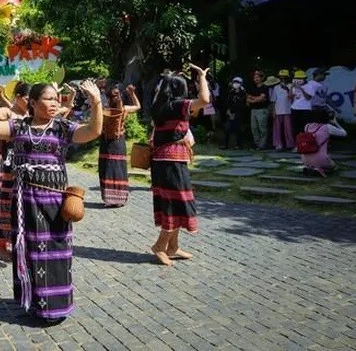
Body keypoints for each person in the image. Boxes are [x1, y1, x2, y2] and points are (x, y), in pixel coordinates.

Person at [0, 76, 102, 325]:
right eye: (48, 99)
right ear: (33, 102)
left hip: (54, 202)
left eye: (56, 99)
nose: (54, 103)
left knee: (56, 251)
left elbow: (93, 131)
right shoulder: (19, 126)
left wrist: (96, 102)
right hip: (25, 201)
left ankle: (55, 306)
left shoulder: (62, 127)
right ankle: (33, 302)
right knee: (30, 251)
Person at [149, 64, 209, 267]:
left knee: (172, 203)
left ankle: (173, 247)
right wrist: (201, 77)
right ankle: (160, 246)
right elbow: (205, 101)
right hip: (171, 162)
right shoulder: (177, 105)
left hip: (164, 162)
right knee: (176, 204)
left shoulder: (159, 106)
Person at [0, 81, 31, 261]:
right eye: (27, 98)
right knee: (7, 208)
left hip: (30, 168)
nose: (30, 101)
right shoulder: (9, 112)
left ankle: (24, 244)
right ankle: (2, 247)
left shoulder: (31, 113)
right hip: (11, 166)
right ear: (18, 98)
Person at [98, 85, 141, 207]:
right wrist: (132, 94)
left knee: (107, 168)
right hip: (118, 141)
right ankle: (119, 199)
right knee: (118, 167)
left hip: (107, 142)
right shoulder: (124, 109)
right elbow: (138, 106)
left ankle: (109, 199)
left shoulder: (103, 110)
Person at [300, 109, 347, 176]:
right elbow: (344, 133)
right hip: (321, 158)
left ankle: (311, 168)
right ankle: (319, 170)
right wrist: (335, 122)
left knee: (318, 161)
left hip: (304, 158)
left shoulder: (307, 126)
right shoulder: (327, 127)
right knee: (334, 167)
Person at [270, 70, 294, 151]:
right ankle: (278, 144)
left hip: (288, 110)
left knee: (288, 129)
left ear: (288, 78)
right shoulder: (276, 87)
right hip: (278, 111)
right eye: (281, 78)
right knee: (277, 129)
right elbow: (273, 100)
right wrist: (273, 111)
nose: (283, 79)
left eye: (285, 78)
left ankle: (290, 144)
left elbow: (292, 98)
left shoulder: (291, 86)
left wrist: (287, 88)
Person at [246, 70, 270, 150]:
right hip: (253, 110)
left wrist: (253, 98)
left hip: (262, 110)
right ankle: (257, 144)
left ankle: (262, 145)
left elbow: (261, 98)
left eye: (257, 77)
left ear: (261, 78)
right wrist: (256, 99)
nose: (255, 79)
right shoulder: (252, 87)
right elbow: (248, 99)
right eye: (254, 78)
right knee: (254, 128)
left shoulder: (265, 87)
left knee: (262, 128)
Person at [222, 77, 246, 149]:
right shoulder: (231, 92)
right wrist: (229, 111)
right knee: (227, 129)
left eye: (237, 82)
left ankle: (238, 145)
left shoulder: (243, 92)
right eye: (234, 82)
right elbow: (228, 102)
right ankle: (225, 144)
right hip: (230, 113)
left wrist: (236, 113)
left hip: (239, 113)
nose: (236, 84)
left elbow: (243, 104)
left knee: (238, 130)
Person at [290, 70, 312, 143]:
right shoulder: (294, 86)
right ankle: (297, 145)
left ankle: (306, 144)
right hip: (295, 108)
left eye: (301, 78)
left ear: (305, 79)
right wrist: (291, 87)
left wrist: (301, 88)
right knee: (296, 128)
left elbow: (308, 97)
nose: (299, 80)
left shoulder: (309, 86)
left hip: (305, 109)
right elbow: (290, 96)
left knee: (305, 127)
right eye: (297, 78)